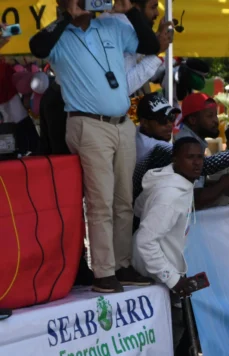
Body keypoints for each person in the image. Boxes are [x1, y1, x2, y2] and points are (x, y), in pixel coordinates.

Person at [29, 0, 161, 293]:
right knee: (100, 202)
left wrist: (130, 11)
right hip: (88, 125)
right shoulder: (58, 36)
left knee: (124, 201)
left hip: (121, 124)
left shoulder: (112, 25)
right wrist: (67, 16)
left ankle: (122, 265)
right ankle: (103, 272)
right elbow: (37, 46)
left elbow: (151, 46)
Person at [132, 137, 205, 356]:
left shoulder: (173, 184)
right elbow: (144, 240)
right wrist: (171, 278)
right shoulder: (170, 196)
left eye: (200, 156)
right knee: (170, 331)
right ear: (175, 159)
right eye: (190, 157)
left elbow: (139, 207)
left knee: (175, 329)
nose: (197, 162)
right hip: (157, 271)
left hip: (164, 267)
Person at [133, 93, 229, 208]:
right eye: (162, 120)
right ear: (144, 122)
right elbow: (205, 167)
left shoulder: (140, 134)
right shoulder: (157, 147)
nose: (169, 124)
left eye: (171, 118)